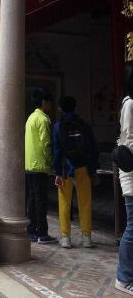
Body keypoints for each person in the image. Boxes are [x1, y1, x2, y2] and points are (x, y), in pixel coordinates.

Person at [53, 96, 99, 249]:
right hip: (83, 167)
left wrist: (58, 172)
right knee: (85, 202)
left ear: (60, 108)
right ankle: (87, 237)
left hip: (66, 169)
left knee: (64, 202)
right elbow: (93, 148)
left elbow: (57, 151)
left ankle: (66, 238)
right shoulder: (85, 125)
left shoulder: (58, 127)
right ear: (75, 107)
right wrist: (93, 170)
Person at [25, 89, 57, 244]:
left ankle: (31, 230)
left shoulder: (31, 118)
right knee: (41, 200)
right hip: (40, 165)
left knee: (32, 199)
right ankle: (42, 232)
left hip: (30, 164)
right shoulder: (43, 119)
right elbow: (46, 143)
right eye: (50, 102)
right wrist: (52, 160)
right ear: (44, 102)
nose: (51, 105)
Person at [115, 62, 133, 295]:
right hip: (131, 174)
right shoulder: (129, 104)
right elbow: (129, 140)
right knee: (132, 227)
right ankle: (124, 277)